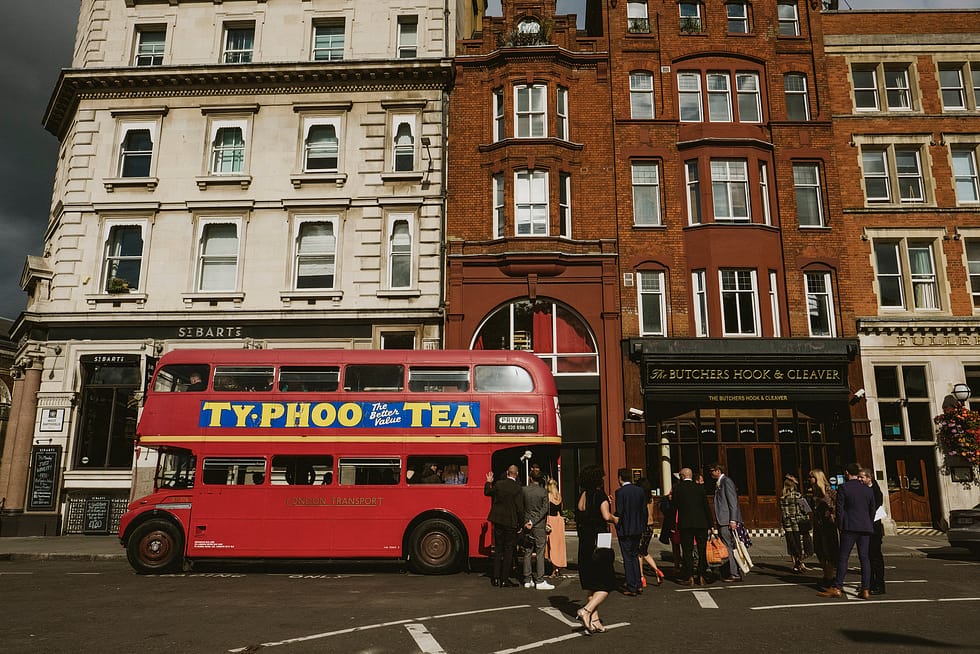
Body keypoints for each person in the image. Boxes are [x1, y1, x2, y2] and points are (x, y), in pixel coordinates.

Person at [818, 463, 876, 600]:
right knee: (864, 558)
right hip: (865, 527)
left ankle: (837, 587)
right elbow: (872, 509)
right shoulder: (868, 490)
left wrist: (841, 525)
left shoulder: (843, 487)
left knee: (843, 557)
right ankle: (866, 589)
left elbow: (840, 509)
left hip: (849, 527)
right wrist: (868, 522)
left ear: (846, 473)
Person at [575, 464, 617, 635]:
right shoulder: (600, 495)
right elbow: (606, 517)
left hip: (584, 542)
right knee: (607, 582)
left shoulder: (582, 496)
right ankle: (586, 610)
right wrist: (618, 519)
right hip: (599, 541)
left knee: (591, 583)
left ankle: (594, 619)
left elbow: (583, 513)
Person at [485, 465, 525, 587]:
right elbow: (520, 508)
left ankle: (496, 578)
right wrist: (521, 524)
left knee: (498, 549)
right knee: (508, 550)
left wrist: (488, 482)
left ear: (507, 472)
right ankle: (504, 579)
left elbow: (487, 492)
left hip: (498, 520)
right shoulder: (517, 488)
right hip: (510, 522)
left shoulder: (499, 484)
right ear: (516, 474)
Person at [672, 467, 712, 586]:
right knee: (701, 549)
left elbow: (675, 506)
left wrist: (673, 523)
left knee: (687, 550)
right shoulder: (700, 488)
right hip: (701, 523)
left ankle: (689, 575)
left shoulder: (678, 489)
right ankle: (701, 574)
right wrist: (711, 524)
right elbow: (706, 507)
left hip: (686, 524)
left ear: (683, 476)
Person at [614, 468, 646, 596]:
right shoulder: (639, 491)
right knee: (635, 555)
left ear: (620, 478)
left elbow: (619, 511)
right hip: (637, 528)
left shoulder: (620, 492)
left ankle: (631, 586)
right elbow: (643, 511)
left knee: (627, 557)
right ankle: (638, 583)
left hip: (625, 528)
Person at [710, 462, 744, 582]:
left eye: (712, 470)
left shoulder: (726, 481)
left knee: (728, 547)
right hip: (722, 520)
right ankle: (729, 571)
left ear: (718, 471)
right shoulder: (719, 483)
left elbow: (733, 501)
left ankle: (734, 573)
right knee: (726, 546)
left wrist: (733, 519)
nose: (711, 473)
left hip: (726, 520)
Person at [521, 463, 554, 590]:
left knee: (527, 552)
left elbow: (521, 507)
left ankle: (527, 579)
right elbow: (545, 509)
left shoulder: (524, 490)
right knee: (540, 552)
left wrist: (527, 521)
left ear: (530, 478)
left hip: (526, 524)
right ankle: (540, 580)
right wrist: (533, 521)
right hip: (539, 525)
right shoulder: (543, 492)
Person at [807, 468, 839, 590]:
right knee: (819, 549)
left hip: (828, 524)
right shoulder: (813, 492)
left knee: (828, 550)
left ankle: (830, 576)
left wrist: (833, 513)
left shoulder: (829, 491)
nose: (810, 479)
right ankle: (826, 575)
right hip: (818, 524)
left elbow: (837, 505)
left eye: (812, 477)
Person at [860, 467, 886, 595]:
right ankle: (870, 583)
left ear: (869, 478)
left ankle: (879, 585)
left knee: (875, 557)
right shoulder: (865, 489)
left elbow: (875, 505)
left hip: (874, 529)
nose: (860, 479)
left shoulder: (874, 490)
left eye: (862, 477)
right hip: (866, 527)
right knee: (868, 557)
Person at [636, 478, 664, 587]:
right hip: (650, 526)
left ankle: (641, 576)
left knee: (639, 553)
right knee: (644, 552)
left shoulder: (640, 498)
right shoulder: (651, 498)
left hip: (643, 526)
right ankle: (657, 570)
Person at [779, 475, 806, 573]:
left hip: (788, 523)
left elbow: (782, 513)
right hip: (798, 522)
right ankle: (801, 562)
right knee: (800, 542)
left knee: (791, 543)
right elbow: (806, 509)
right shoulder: (798, 496)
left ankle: (795, 563)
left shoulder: (782, 498)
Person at [545, 476, 567, 578]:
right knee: (559, 545)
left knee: (552, 546)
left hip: (551, 520)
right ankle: (558, 567)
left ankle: (555, 568)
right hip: (559, 520)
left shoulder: (548, 496)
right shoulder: (559, 496)